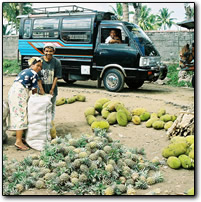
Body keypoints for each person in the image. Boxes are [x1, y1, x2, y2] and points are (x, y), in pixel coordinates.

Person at [8, 57, 43, 151]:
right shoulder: (33, 73)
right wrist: (39, 99)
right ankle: (18, 141)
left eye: (40, 66)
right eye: (37, 65)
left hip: (13, 91)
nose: (39, 68)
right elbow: (34, 91)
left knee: (17, 114)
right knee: (21, 115)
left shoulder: (25, 71)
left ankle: (19, 138)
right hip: (20, 92)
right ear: (32, 65)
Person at [38, 43, 62, 121]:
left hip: (52, 88)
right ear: (43, 51)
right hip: (42, 88)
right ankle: (42, 124)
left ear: (54, 51)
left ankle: (50, 125)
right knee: (41, 108)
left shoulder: (56, 62)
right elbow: (38, 77)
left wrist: (52, 89)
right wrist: (41, 89)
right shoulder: (40, 61)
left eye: (50, 51)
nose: (48, 53)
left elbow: (56, 77)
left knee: (52, 108)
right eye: (47, 51)